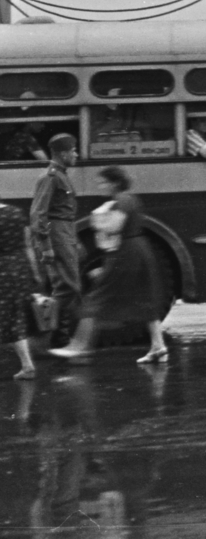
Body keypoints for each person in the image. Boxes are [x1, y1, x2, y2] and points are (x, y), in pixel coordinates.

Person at [48, 167, 168, 364]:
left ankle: (79, 347)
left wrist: (98, 220)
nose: (100, 186)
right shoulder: (128, 198)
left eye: (102, 182)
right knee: (145, 296)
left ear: (114, 183)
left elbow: (114, 227)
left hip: (126, 252)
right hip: (138, 250)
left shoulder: (121, 200)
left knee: (97, 296)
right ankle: (158, 346)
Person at [29, 134, 81, 345]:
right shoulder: (50, 178)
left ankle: (60, 335)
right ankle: (46, 335)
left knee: (67, 287)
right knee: (69, 287)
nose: (76, 154)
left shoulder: (61, 176)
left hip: (65, 233)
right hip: (57, 236)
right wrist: (46, 246)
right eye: (73, 150)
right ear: (62, 153)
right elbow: (38, 214)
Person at [0, 203, 39, 379]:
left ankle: (27, 364)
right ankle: (27, 365)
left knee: (8, 318)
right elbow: (28, 245)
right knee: (15, 317)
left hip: (2, 271)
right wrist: (35, 272)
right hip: (20, 267)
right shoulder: (16, 212)